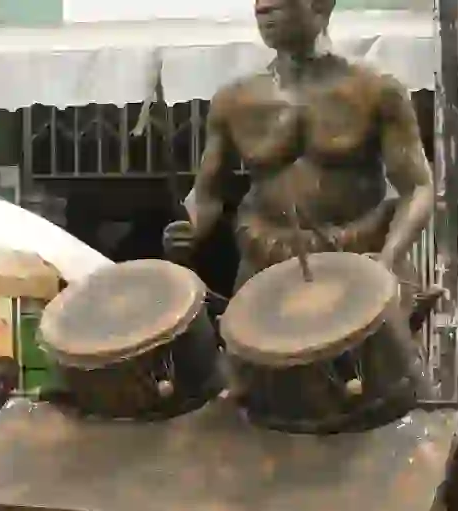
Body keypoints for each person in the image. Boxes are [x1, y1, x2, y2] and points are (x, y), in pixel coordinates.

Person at [159, 0, 435, 296]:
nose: (263, 8)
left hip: (356, 256)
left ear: (321, 7)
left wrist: (389, 258)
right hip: (264, 258)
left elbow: (418, 187)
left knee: (381, 340)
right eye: (259, 3)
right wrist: (190, 228)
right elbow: (207, 193)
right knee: (243, 339)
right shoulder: (234, 99)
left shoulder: (376, 90)